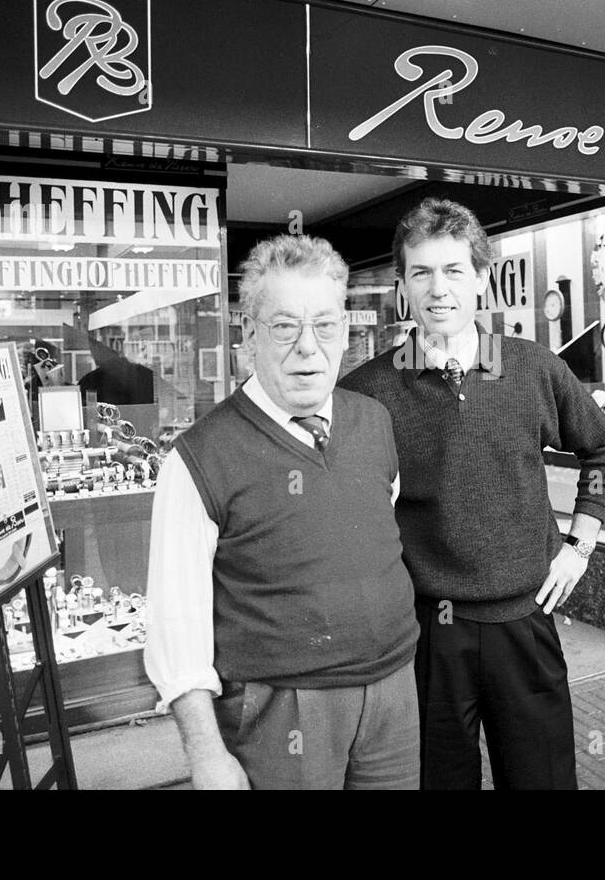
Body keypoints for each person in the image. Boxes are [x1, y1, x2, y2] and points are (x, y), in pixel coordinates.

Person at [340, 198, 605, 790]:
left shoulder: (532, 368)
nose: (438, 289)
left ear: (481, 280)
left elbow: (600, 447)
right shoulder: (367, 392)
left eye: (453, 271)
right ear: (402, 287)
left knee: (541, 780)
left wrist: (581, 545)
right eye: (421, 272)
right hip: (426, 635)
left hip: (525, 620)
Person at [144, 233, 419, 790]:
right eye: (285, 326)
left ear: (345, 332)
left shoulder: (374, 422)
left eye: (324, 325)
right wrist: (206, 755)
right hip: (281, 710)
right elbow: (175, 621)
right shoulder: (200, 457)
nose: (307, 347)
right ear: (248, 335)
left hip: (394, 694)